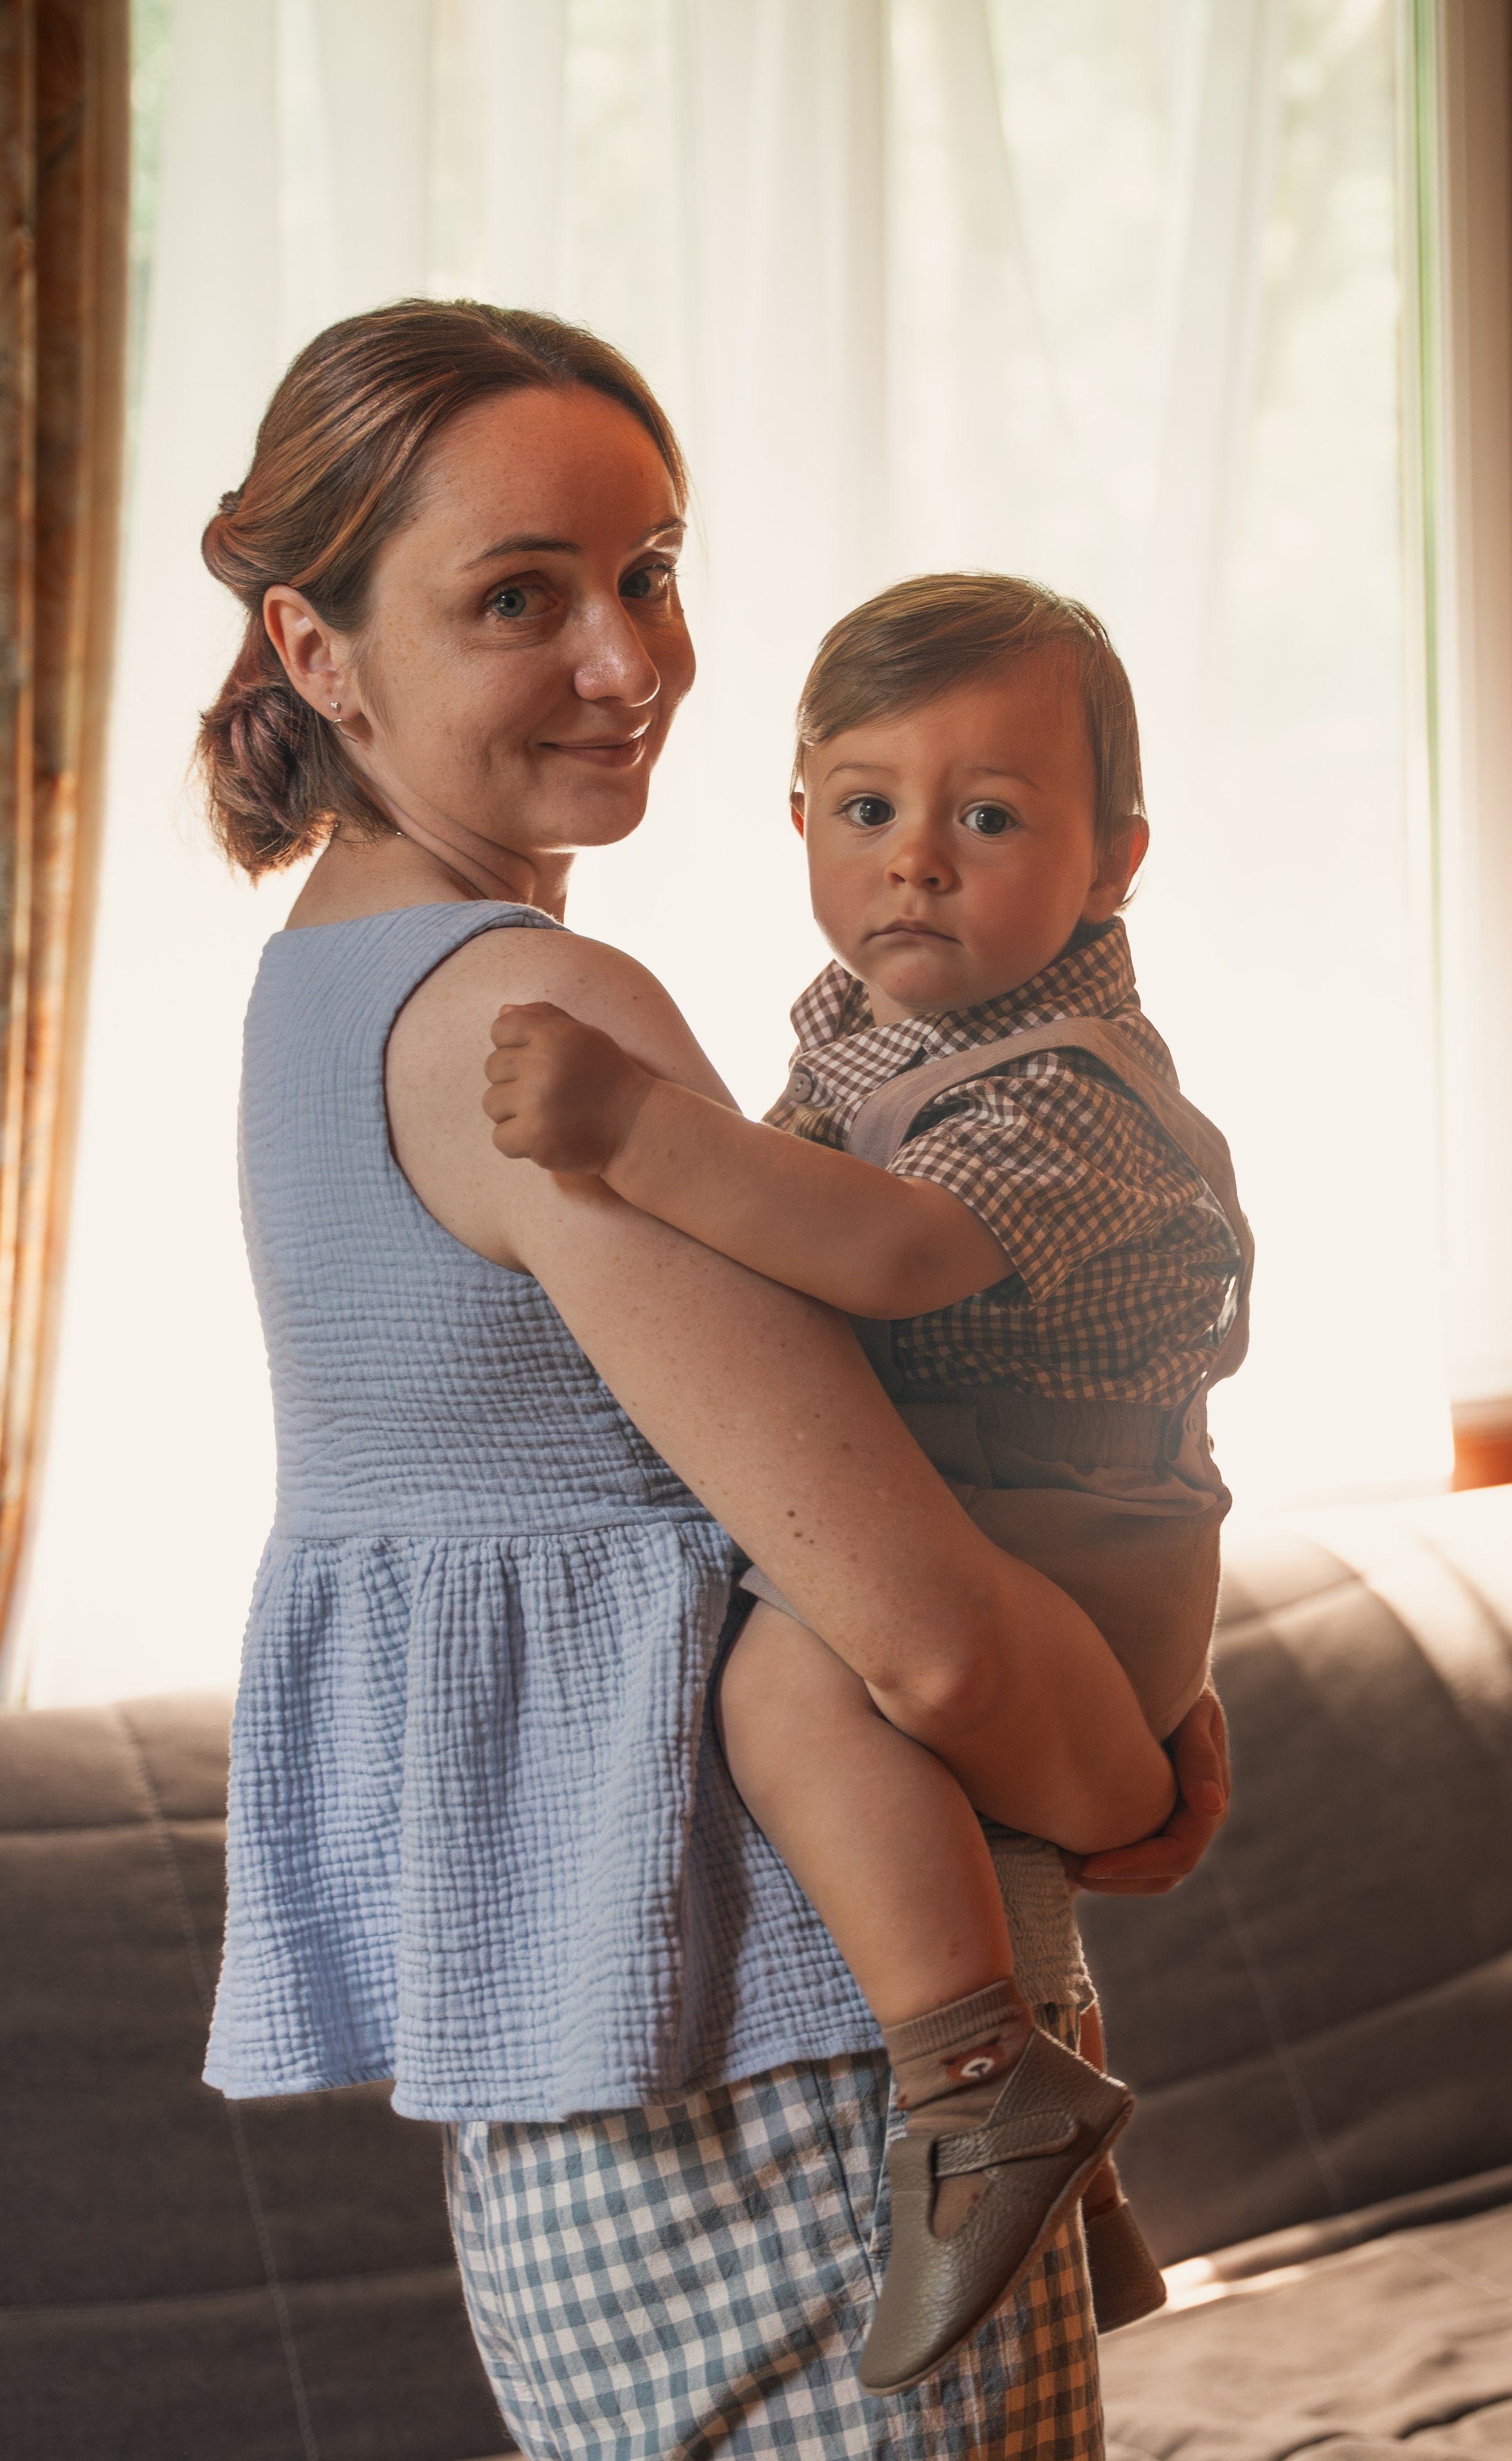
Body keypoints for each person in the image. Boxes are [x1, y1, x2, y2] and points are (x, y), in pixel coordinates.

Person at [197, 297, 1228, 2461]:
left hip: (558, 2107)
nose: (632, 660)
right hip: (806, 2082)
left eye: (650, 573)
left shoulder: (313, 996)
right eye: (519, 599)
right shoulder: (538, 1016)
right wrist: (1138, 1791)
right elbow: (931, 1649)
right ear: (316, 650)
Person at [482, 572, 1251, 2391]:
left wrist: (640, 1136)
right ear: (803, 819)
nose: (917, 858)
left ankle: (976, 2085)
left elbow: (892, 1256)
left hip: (1091, 1534)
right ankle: (1074, 2185)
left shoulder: (1068, 1083)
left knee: (797, 1678)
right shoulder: (866, 1026)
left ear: (1112, 860)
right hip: (1006, 1519)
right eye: (868, 810)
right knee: (924, 1770)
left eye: (989, 818)